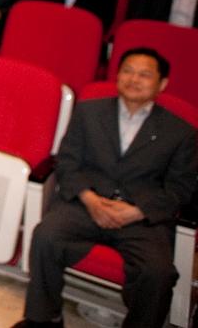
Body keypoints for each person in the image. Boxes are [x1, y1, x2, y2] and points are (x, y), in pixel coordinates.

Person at [14, 48, 196, 328]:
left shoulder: (181, 132)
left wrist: (137, 212)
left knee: (157, 273)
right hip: (86, 204)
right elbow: (67, 162)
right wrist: (90, 199)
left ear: (162, 84)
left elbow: (181, 189)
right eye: (128, 71)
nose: (134, 79)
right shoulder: (89, 112)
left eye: (144, 74)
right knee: (46, 236)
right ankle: (43, 319)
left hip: (140, 218)